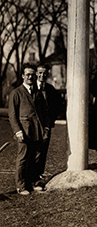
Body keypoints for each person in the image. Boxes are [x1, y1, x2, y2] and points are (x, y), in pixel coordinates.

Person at [8, 63, 50, 195]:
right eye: (28, 74)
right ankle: (21, 186)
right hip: (24, 131)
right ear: (22, 76)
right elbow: (12, 114)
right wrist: (17, 131)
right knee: (23, 157)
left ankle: (33, 182)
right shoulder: (16, 93)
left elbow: (44, 112)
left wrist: (46, 128)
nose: (30, 77)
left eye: (33, 75)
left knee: (36, 157)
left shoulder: (38, 93)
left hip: (37, 130)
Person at [36, 63, 62, 178]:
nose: (42, 75)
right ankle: (30, 174)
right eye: (40, 73)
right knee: (33, 150)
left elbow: (57, 105)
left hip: (46, 124)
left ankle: (39, 172)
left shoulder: (51, 89)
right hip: (33, 124)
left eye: (45, 73)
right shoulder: (30, 87)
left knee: (43, 149)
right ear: (36, 73)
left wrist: (51, 120)